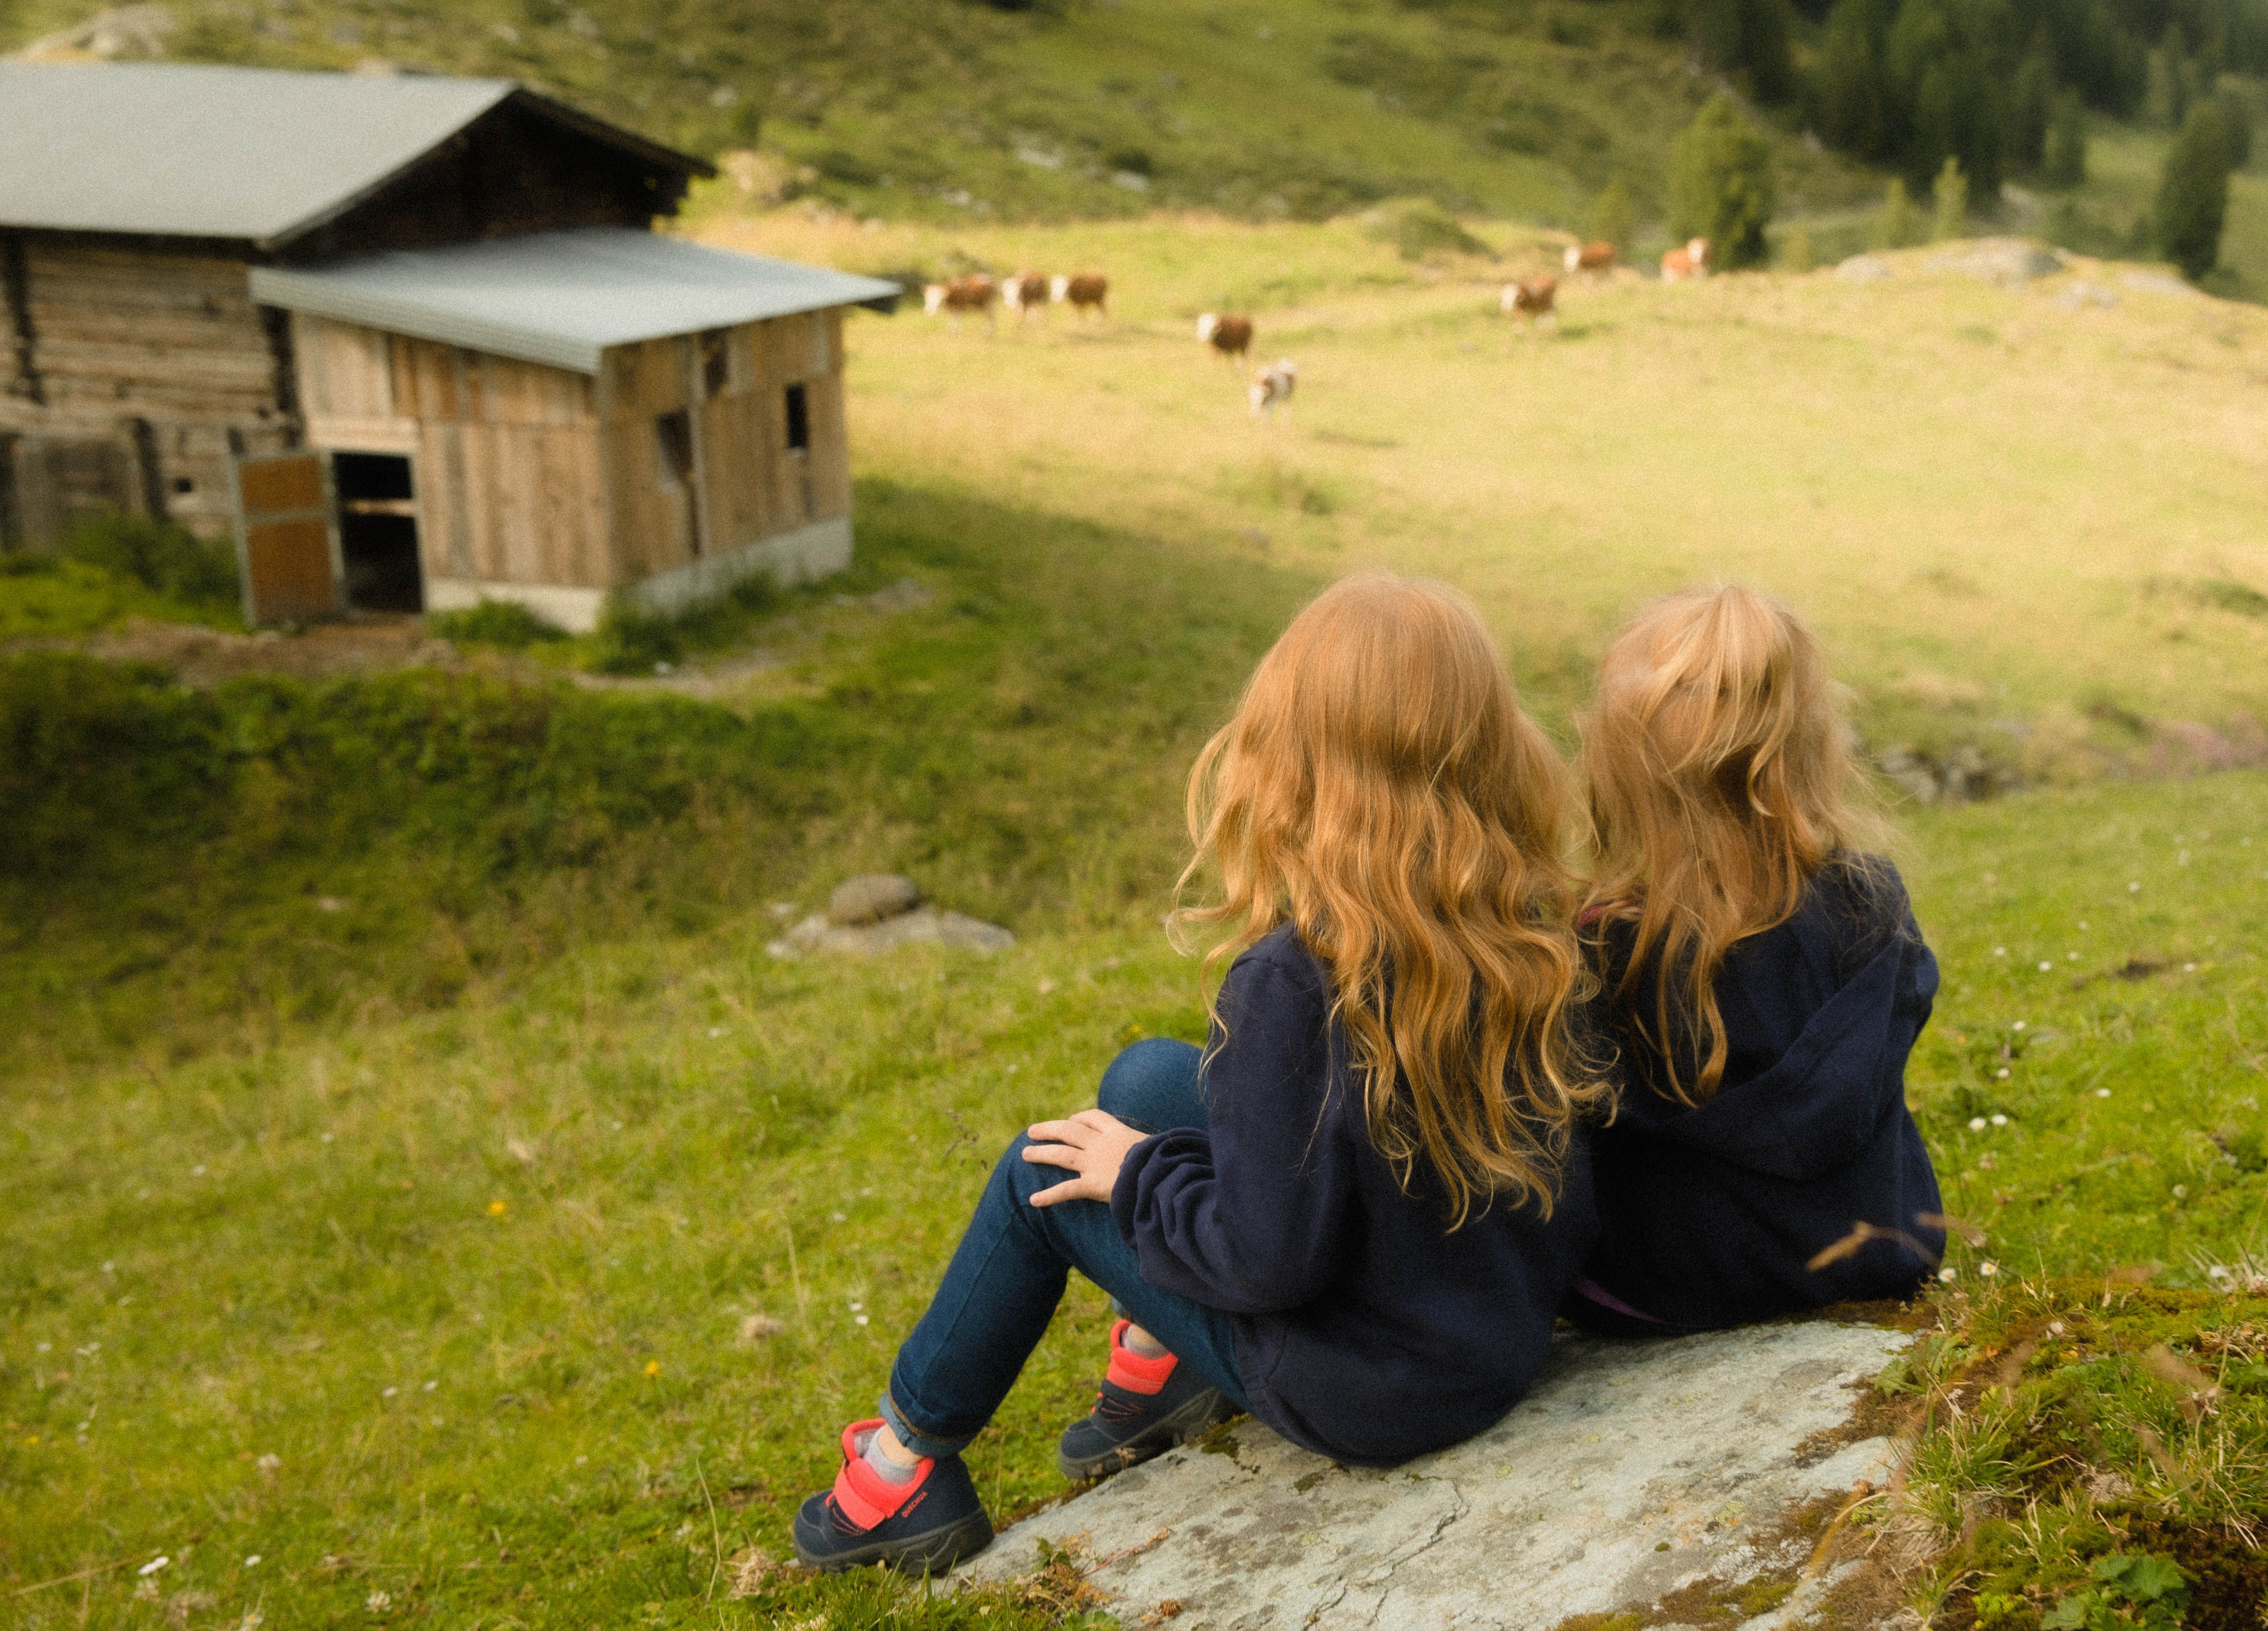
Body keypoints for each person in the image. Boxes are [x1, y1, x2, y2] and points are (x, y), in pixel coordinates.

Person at [795, 574, 1610, 1575]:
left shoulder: (1291, 980)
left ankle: (897, 1475)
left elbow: (1268, 1261)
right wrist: (1149, 1152)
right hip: (1485, 1333)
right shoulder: (1529, 924)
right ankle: (1162, 1371)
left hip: (1362, 1385)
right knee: (1144, 1078)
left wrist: (1138, 1178)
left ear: (1293, 762)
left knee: (1038, 1173)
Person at [1567, 584, 1943, 1335]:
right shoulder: (1873, 904)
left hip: (1669, 1286)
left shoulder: (1599, 945)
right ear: (1812, 746)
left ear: (1619, 765)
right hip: (1871, 1257)